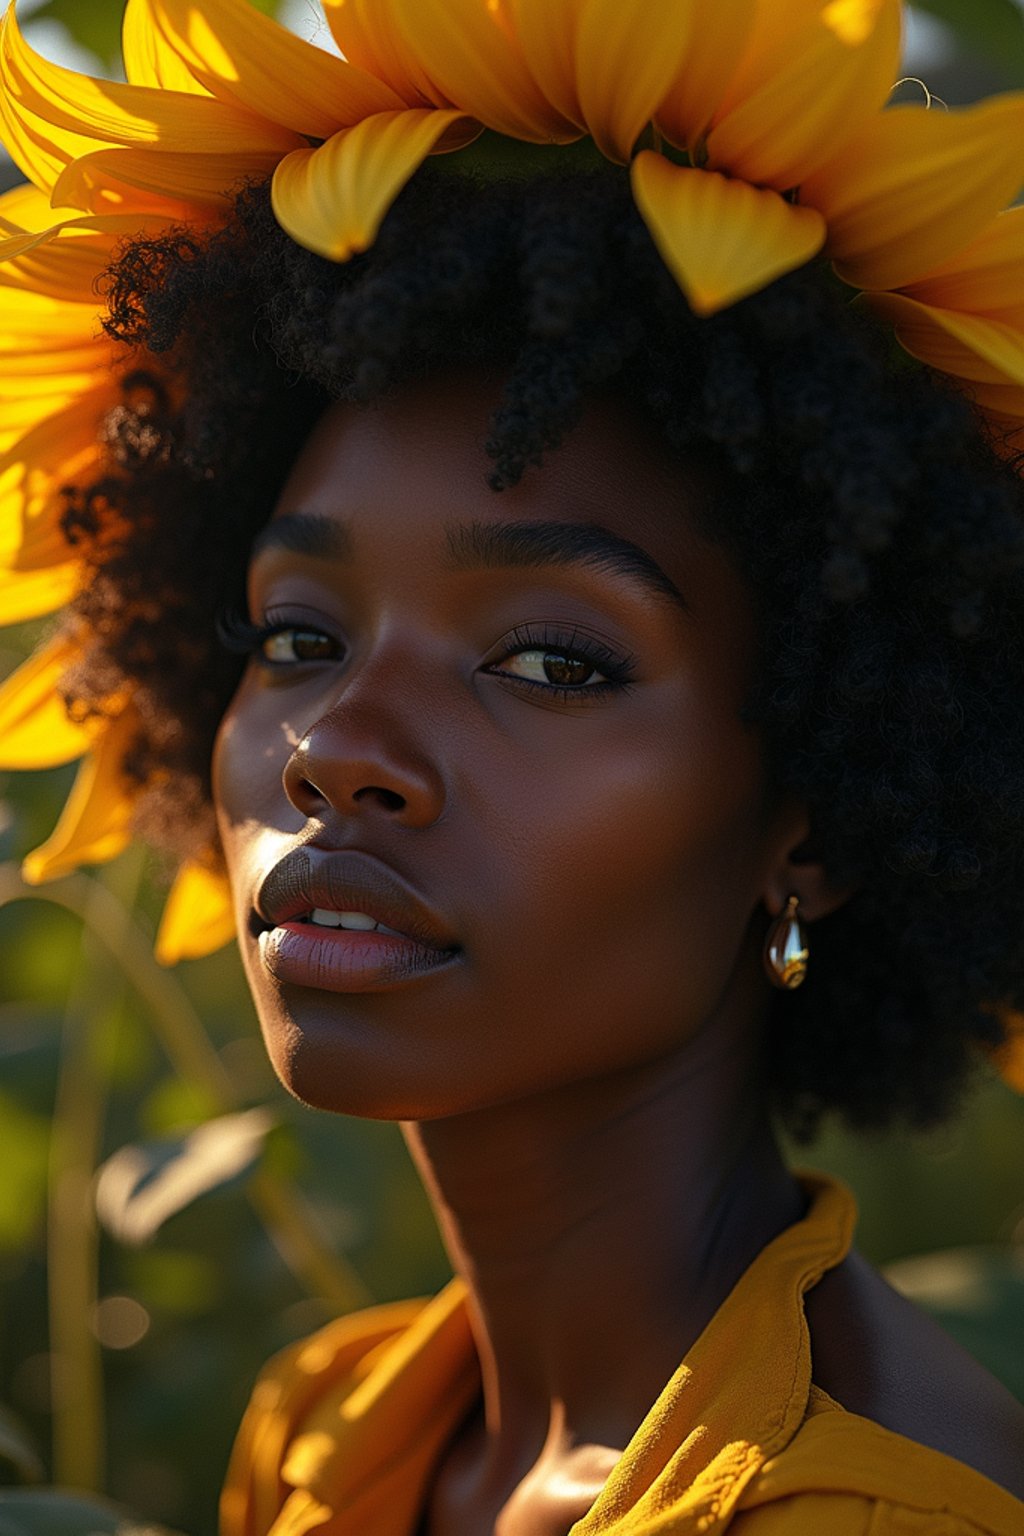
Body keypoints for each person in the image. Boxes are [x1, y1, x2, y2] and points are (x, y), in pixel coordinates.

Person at [0, 1, 1023, 1532]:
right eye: (292, 635)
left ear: (813, 824)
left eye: (552, 662)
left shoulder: (873, 1513)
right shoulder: (331, 1429)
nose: (338, 749)